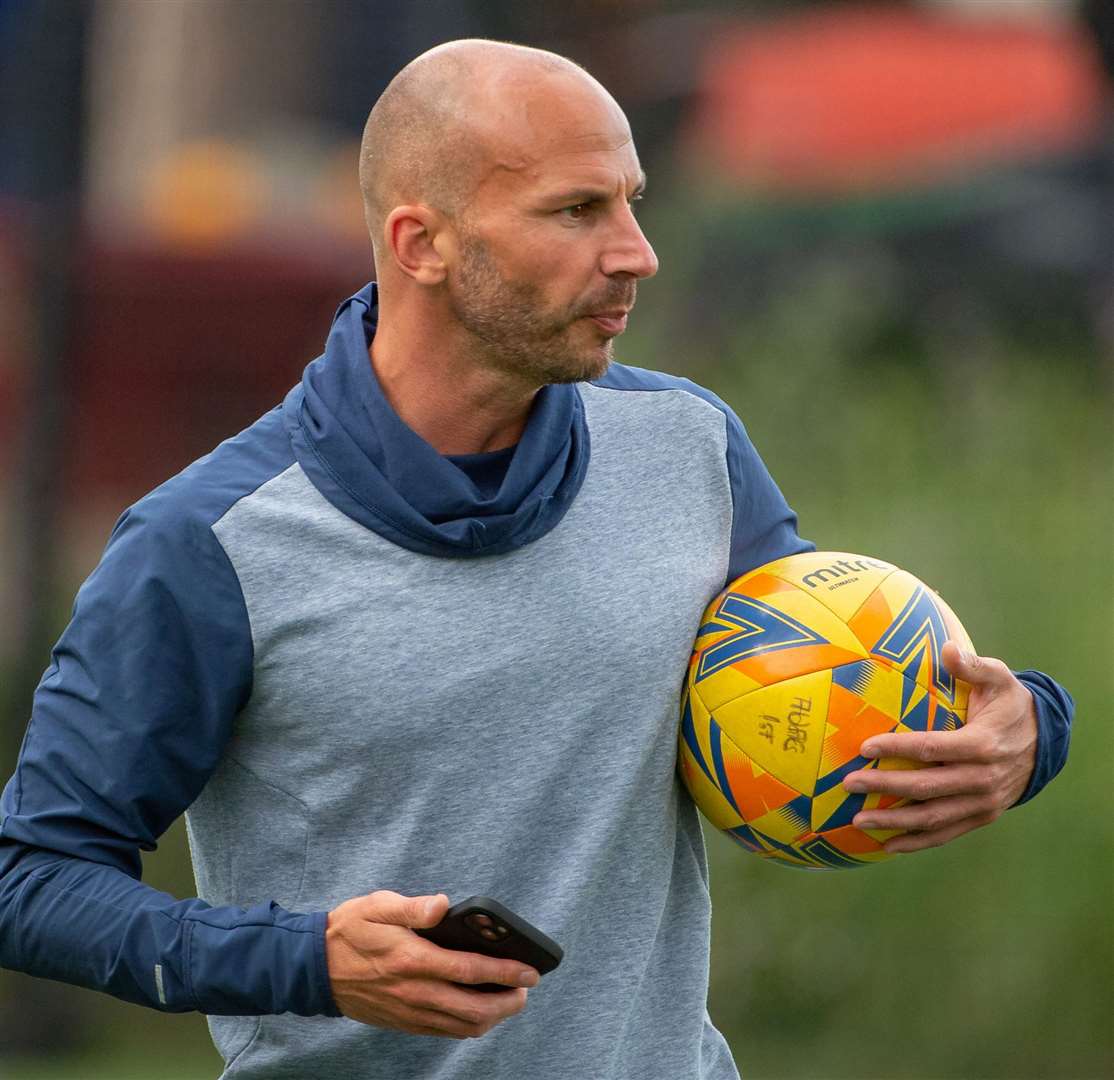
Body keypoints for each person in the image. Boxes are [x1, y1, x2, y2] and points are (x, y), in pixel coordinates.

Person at [0, 39, 1072, 1080]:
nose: (635, 253)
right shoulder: (206, 544)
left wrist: (1022, 729)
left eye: (631, 201)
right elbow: (30, 879)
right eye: (575, 211)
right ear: (422, 243)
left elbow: (812, 688)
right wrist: (304, 962)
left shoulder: (688, 447)